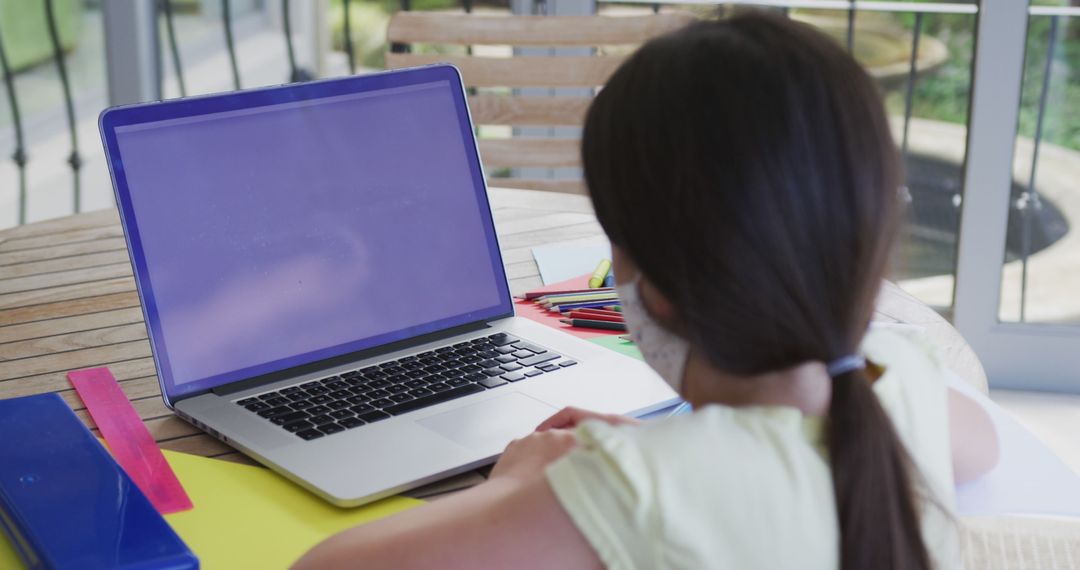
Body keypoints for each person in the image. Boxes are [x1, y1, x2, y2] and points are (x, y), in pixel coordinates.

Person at [294, 12, 998, 569]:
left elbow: (323, 567)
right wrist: (687, 451)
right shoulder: (895, 378)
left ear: (652, 289)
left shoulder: (634, 494)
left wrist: (520, 487)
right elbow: (981, 447)